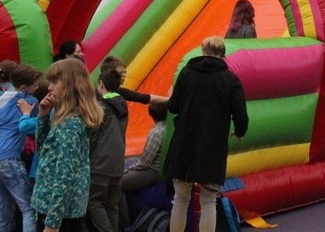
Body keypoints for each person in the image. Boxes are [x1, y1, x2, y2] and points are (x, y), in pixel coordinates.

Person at [165, 36, 248, 232]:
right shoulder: (230, 79)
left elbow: (174, 107)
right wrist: (240, 131)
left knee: (180, 198)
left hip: (185, 141)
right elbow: (240, 114)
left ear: (202, 51)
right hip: (213, 146)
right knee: (209, 200)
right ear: (223, 55)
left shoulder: (186, 73)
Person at [31, 58, 104, 232]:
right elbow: (44, 153)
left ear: (71, 85)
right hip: (62, 210)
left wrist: (52, 223)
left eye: (54, 82)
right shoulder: (66, 119)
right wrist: (43, 117)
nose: (49, 87)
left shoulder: (70, 124)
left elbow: (64, 175)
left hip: (56, 212)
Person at [0, 63, 42, 232]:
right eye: (35, 84)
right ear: (24, 87)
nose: (38, 86)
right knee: (29, 209)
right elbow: (38, 128)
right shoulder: (29, 101)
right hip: (9, 159)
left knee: (3, 213)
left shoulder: (0, 100)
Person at [87, 68, 128, 232]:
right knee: (112, 204)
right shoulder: (123, 105)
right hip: (118, 162)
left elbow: (93, 136)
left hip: (100, 162)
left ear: (101, 84)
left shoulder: (100, 107)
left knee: (93, 200)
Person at [119, 100, 168, 228]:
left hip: (151, 171)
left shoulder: (157, 132)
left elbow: (145, 163)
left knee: (117, 184)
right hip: (155, 169)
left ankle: (125, 224)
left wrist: (130, 170)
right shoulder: (167, 129)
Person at [100, 55, 168, 106]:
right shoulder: (100, 95)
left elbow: (143, 97)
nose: (124, 75)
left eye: (125, 72)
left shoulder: (119, 91)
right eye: (121, 73)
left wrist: (169, 99)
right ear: (110, 74)